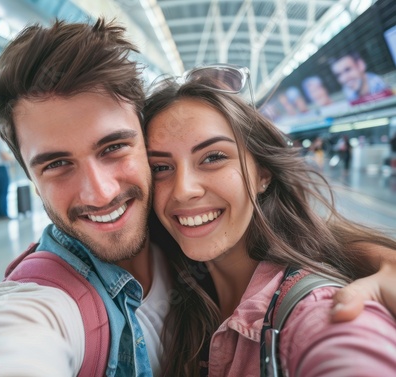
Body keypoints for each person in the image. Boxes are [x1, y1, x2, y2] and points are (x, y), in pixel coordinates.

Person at [0, 20, 396, 377]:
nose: (101, 192)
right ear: (28, 176)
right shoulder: (42, 306)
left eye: (113, 147)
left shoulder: (323, 313)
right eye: (56, 164)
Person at [143, 66, 396, 376]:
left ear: (263, 173)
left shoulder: (319, 311)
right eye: (160, 168)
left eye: (213, 157)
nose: (184, 190)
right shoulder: (173, 293)